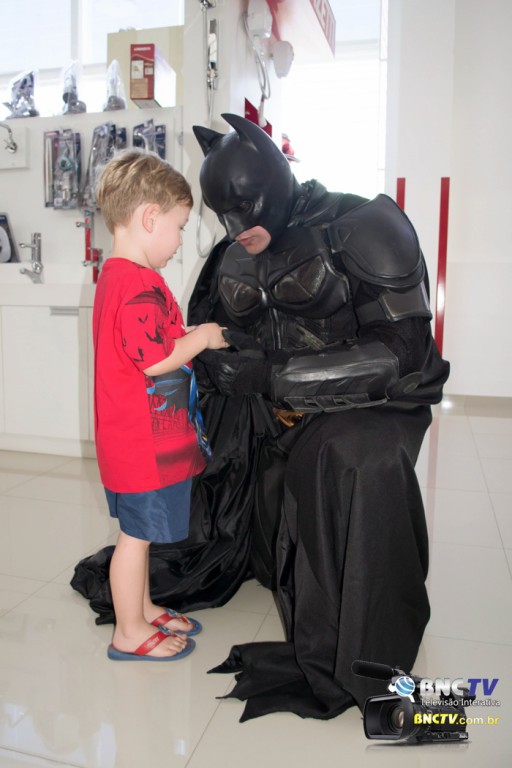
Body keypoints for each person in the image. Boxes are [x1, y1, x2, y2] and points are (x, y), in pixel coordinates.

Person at [185, 113, 450, 719]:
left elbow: (401, 353)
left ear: (277, 180)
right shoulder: (228, 255)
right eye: (221, 213)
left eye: (244, 206)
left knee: (354, 456)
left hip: (371, 407)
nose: (234, 227)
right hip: (268, 419)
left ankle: (385, 677)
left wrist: (272, 374)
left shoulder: (363, 224)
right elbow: (212, 337)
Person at [93, 149, 228, 661]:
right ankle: (129, 631)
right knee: (134, 537)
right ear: (150, 218)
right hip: (142, 447)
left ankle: (143, 607)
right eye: (179, 227)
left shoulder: (118, 277)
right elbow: (154, 360)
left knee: (142, 534)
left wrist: (184, 334)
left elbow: (149, 341)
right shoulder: (137, 283)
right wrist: (205, 337)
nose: (179, 241)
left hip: (133, 439)